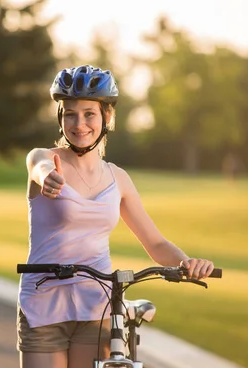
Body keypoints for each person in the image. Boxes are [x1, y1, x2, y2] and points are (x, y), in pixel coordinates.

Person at [17, 65, 215, 368]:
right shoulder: (44, 159)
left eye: (89, 114)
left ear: (106, 117)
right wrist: (47, 178)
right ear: (60, 118)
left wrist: (187, 263)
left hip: (97, 307)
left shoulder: (118, 179)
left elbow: (156, 243)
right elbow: (39, 167)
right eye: (70, 114)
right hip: (43, 306)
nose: (79, 123)